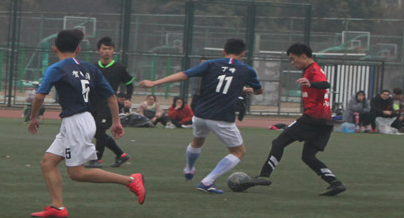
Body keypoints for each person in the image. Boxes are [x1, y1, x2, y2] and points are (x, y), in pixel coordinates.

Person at [27, 29, 145, 218]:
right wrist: (116, 121)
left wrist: (34, 117)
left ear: (54, 48)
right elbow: (111, 96)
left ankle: (131, 180)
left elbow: (40, 96)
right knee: (48, 163)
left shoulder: (57, 68)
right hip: (81, 120)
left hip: (76, 123)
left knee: (77, 173)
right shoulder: (90, 68)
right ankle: (57, 207)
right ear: (78, 49)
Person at [140, 38, 263, 194]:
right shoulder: (247, 70)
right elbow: (258, 90)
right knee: (238, 151)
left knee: (197, 141)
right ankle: (207, 181)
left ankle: (189, 169)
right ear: (243, 53)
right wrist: (250, 90)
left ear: (223, 52)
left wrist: (154, 83)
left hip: (200, 114)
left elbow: (183, 75)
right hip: (222, 117)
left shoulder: (210, 64)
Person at [247, 43, 346, 196]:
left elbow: (326, 84)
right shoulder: (311, 70)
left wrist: (311, 83)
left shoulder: (313, 70)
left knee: (278, 143)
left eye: (293, 59)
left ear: (304, 56)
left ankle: (264, 176)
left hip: (313, 119)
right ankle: (335, 183)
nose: (292, 63)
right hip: (325, 121)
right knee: (308, 156)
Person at [85, 37, 133, 169]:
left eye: (109, 49)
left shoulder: (119, 67)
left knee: (100, 130)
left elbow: (129, 83)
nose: (107, 51)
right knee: (95, 132)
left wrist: (128, 98)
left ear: (113, 51)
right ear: (98, 51)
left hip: (109, 104)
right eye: (104, 49)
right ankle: (121, 154)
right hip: (93, 104)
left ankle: (97, 160)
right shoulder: (92, 67)